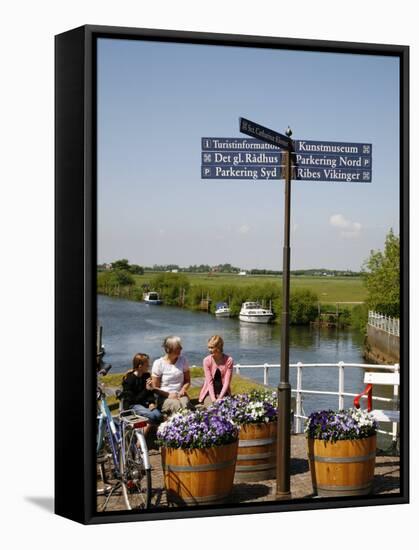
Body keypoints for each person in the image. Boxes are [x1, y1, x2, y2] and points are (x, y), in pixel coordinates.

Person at [121, 353, 163, 433]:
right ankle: (141, 432)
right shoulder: (129, 380)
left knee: (158, 415)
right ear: (140, 366)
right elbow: (132, 400)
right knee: (151, 416)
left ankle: (150, 427)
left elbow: (150, 392)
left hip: (144, 403)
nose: (149, 366)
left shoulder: (146, 375)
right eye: (147, 365)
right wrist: (146, 390)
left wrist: (151, 402)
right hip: (132, 405)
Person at [151, 336, 193, 414]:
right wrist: (168, 395)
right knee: (176, 405)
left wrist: (183, 389)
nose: (181, 348)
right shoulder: (158, 363)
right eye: (178, 347)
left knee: (185, 404)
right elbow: (155, 388)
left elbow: (187, 381)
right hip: (165, 397)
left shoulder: (183, 360)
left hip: (180, 394)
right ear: (169, 349)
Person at [199, 335, 234, 406]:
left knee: (226, 406)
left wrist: (220, 397)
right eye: (208, 347)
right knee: (212, 406)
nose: (209, 350)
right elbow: (209, 382)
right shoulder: (206, 361)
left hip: (224, 392)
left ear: (218, 347)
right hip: (209, 392)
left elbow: (227, 382)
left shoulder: (229, 360)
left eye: (211, 347)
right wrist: (213, 399)